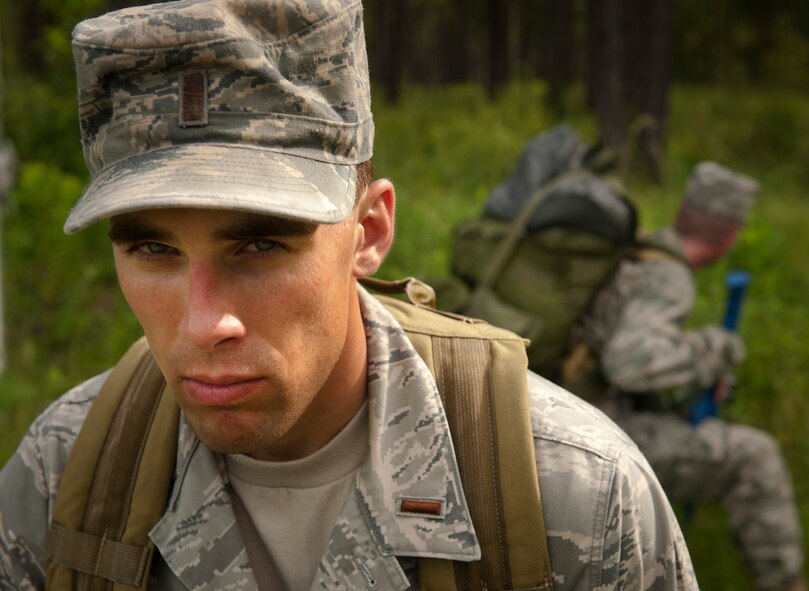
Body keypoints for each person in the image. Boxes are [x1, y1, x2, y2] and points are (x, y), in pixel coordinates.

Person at [0, 1, 697, 589]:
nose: (205, 322)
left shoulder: (572, 491)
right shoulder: (66, 473)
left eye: (260, 245)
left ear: (368, 230)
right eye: (153, 250)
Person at [574, 162, 805, 591]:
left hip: (579, 410)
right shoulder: (668, 276)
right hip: (600, 432)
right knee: (755, 455)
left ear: (683, 212)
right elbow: (629, 363)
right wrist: (712, 349)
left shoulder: (638, 250)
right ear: (732, 233)